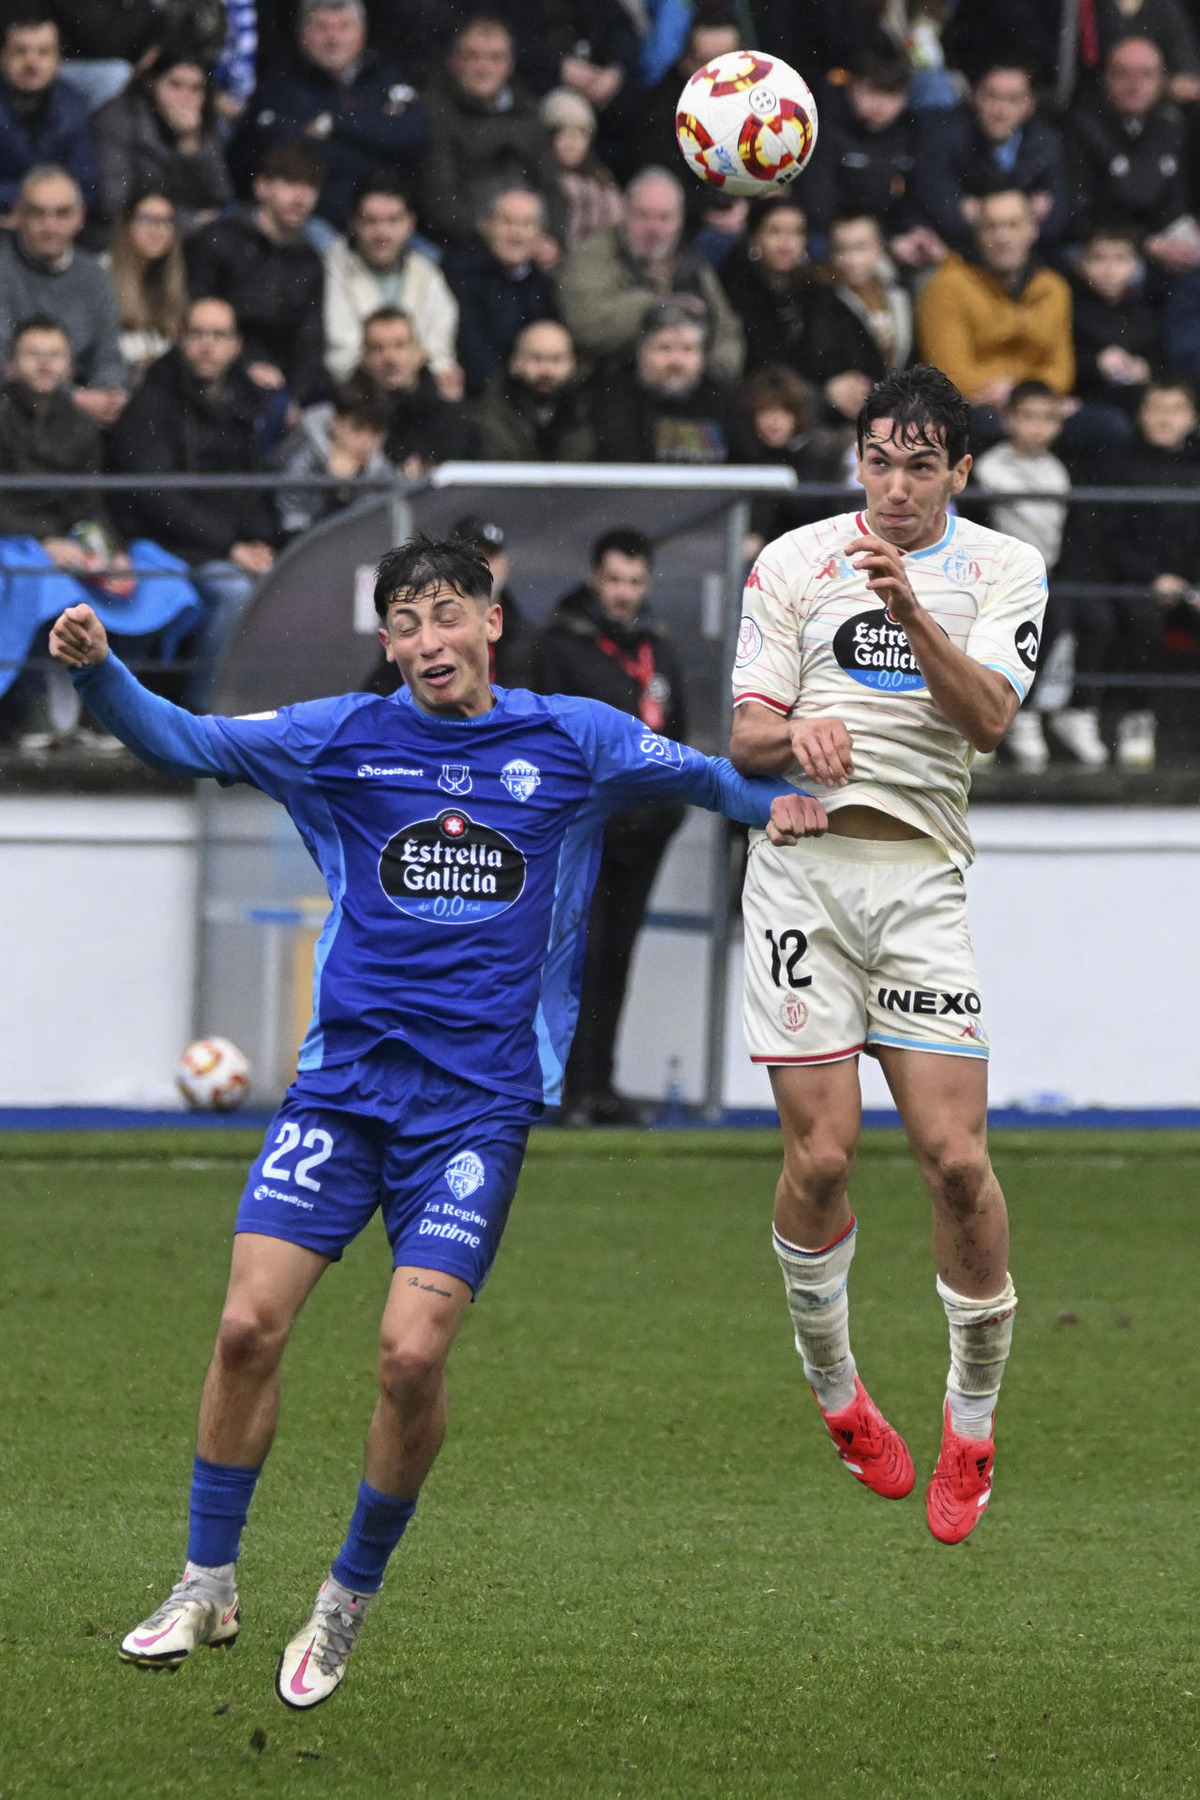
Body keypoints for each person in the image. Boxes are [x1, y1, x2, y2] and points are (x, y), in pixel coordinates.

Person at [47, 535, 823, 1708]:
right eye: (403, 623)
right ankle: (206, 1582)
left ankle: (346, 1597)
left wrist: (793, 806)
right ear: (388, 642)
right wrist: (101, 672)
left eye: (443, 616)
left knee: (411, 1357)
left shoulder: (574, 739)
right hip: (343, 1091)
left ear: (490, 624)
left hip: (474, 1112)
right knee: (248, 1328)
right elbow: (189, 743)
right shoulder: (343, 741)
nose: (424, 642)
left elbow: (709, 781)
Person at [728, 363, 1046, 1545]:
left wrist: (912, 609)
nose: (896, 486)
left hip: (919, 882)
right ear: (856, 457)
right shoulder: (793, 560)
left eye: (922, 464)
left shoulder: (1004, 570)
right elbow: (746, 728)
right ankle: (838, 1396)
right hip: (803, 882)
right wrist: (787, 737)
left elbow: (991, 722)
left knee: (955, 1161)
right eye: (879, 460)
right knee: (820, 1160)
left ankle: (971, 1421)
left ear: (960, 470)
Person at [531, 527, 689, 1123]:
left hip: (643, 833)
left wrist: (666, 810)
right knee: (577, 956)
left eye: (635, 582)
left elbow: (678, 735)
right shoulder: (559, 645)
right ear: (595, 579)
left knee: (617, 955)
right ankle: (566, 1089)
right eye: (615, 580)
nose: (624, 594)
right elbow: (546, 741)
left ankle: (600, 1085)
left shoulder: (660, 647)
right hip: (582, 832)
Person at [0, 311, 199, 740]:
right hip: (16, 539)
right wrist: (44, 541)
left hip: (73, 540)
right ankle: (28, 706)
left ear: (70, 365)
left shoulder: (81, 424)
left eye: (54, 355)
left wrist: (111, 551)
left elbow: (92, 503)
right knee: (35, 576)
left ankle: (105, 700)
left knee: (161, 576)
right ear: (11, 364)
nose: (45, 364)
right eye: (34, 354)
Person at [108, 294, 278, 697]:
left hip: (222, 546)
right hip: (163, 547)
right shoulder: (152, 401)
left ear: (236, 344)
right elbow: (156, 498)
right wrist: (229, 546)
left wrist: (261, 541)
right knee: (234, 589)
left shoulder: (247, 403)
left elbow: (254, 487)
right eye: (197, 333)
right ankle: (205, 710)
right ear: (181, 339)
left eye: (219, 335)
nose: (207, 344)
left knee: (284, 579)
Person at [231, 0, 425, 234]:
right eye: (322, 28)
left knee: (432, 264)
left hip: (382, 226)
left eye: (344, 27)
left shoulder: (386, 79)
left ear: (362, 32)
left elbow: (411, 136)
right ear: (302, 33)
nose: (333, 39)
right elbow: (276, 149)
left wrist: (333, 124)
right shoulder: (279, 86)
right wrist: (370, 134)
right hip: (312, 223)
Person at [557, 165, 744, 382]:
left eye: (664, 218)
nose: (654, 228)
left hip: (688, 389)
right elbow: (586, 325)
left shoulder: (693, 263)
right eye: (643, 216)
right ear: (624, 212)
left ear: (679, 220)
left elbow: (727, 332)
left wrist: (715, 373)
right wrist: (656, 307)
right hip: (611, 382)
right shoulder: (593, 255)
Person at [973, 381, 1074, 771]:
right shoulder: (988, 468)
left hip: (1046, 575)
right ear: (1008, 419)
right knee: (990, 642)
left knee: (1060, 624)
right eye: (1027, 417)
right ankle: (983, 719)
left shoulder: (1059, 470)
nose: (1037, 428)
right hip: (998, 576)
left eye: (1048, 419)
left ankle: (1022, 712)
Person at [185, 141, 326, 407]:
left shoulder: (310, 262)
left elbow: (310, 340)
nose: (300, 197)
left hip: (280, 383)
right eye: (289, 184)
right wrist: (245, 365)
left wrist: (296, 398)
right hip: (218, 370)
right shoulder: (221, 240)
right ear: (261, 187)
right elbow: (196, 316)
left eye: (310, 187)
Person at [917, 188, 1074, 421]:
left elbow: (1062, 370)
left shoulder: (1054, 288)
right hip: (976, 407)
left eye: (1013, 225)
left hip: (1036, 406)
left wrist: (1021, 394)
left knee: (1105, 427)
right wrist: (1021, 394)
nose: (1002, 237)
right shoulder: (946, 286)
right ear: (977, 233)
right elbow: (950, 373)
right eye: (991, 227)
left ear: (1032, 230)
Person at [419, 16, 563, 251]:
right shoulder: (434, 113)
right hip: (467, 246)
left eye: (496, 58)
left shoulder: (529, 112)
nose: (484, 68)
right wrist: (497, 238)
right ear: (454, 61)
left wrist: (553, 237)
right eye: (474, 57)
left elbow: (552, 188)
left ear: (510, 64)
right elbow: (439, 201)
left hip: (530, 241)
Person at [0, 164, 126, 424]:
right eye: (38, 213)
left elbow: (107, 352)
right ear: (18, 214)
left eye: (62, 213)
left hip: (82, 411)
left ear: (80, 217)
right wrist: (73, 398)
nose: (50, 225)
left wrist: (110, 392)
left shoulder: (94, 275)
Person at [1066, 37, 1199, 274]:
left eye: (1146, 74)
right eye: (1122, 74)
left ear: (1163, 81)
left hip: (1163, 239)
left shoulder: (1171, 126)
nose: (1134, 84)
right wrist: (1146, 243)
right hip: (1105, 244)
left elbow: (1178, 202)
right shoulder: (1082, 129)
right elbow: (1080, 215)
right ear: (1105, 78)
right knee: (1126, 274)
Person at [323, 171, 462, 395]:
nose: (382, 233)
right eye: (371, 221)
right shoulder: (332, 270)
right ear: (354, 223)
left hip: (418, 393)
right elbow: (341, 357)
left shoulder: (426, 272)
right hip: (357, 394)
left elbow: (440, 352)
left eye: (393, 220)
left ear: (410, 223)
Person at [912, 63, 1068, 256]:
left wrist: (980, 212)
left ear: (1029, 105)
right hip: (961, 254)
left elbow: (1057, 218)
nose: (1000, 110)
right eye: (992, 97)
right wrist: (1022, 214)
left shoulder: (1045, 141)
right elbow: (944, 213)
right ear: (975, 97)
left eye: (1013, 100)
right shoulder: (945, 137)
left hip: (1028, 257)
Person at [590, 300, 757, 465]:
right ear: (641, 352)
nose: (676, 361)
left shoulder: (721, 396)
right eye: (665, 348)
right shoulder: (614, 397)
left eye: (687, 349)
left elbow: (749, 463)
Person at [92, 47, 232, 236]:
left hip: (187, 235)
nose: (185, 98)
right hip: (127, 234)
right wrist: (189, 221)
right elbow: (114, 202)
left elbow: (218, 197)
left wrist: (190, 143)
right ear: (152, 84)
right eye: (175, 85)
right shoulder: (118, 120)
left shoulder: (202, 124)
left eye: (196, 88)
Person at [444, 184, 560, 395]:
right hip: (484, 396)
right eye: (507, 222)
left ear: (540, 233)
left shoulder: (544, 285)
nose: (516, 233)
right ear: (486, 225)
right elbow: (471, 351)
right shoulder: (460, 274)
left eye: (527, 224)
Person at [803, 214, 913, 426]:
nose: (852, 260)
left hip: (900, 412)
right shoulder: (820, 298)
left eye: (860, 248)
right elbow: (816, 358)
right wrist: (829, 386)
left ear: (879, 247)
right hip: (848, 418)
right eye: (842, 250)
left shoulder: (900, 291)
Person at [353, 304, 477, 473]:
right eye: (377, 348)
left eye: (400, 345)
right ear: (363, 358)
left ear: (420, 351)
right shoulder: (347, 417)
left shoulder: (452, 419)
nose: (390, 358)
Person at [0, 9, 99, 220]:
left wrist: (32, 210)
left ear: (58, 59)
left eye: (43, 52)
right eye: (20, 51)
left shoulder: (74, 108)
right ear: (3, 56)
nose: (31, 62)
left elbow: (86, 185)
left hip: (53, 225)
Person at [273, 381, 393, 539]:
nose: (367, 443)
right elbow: (290, 519)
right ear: (336, 422)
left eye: (376, 432)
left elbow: (385, 520)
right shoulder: (302, 452)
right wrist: (335, 487)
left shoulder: (378, 466)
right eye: (357, 429)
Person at [716, 194, 814, 376]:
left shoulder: (815, 289)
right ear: (754, 237)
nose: (787, 243)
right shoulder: (734, 286)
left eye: (796, 232)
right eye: (775, 232)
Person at [472, 318, 595, 461]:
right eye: (536, 359)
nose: (546, 370)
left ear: (573, 364)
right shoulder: (488, 416)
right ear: (515, 362)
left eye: (557, 359)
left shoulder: (587, 412)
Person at [101, 191, 189, 386]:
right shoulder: (101, 274)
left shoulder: (170, 283)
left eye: (166, 221)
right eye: (147, 219)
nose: (157, 229)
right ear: (126, 226)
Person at [540, 85, 622, 248]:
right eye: (563, 133)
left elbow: (616, 224)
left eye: (579, 134)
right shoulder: (540, 180)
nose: (571, 143)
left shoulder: (602, 181)